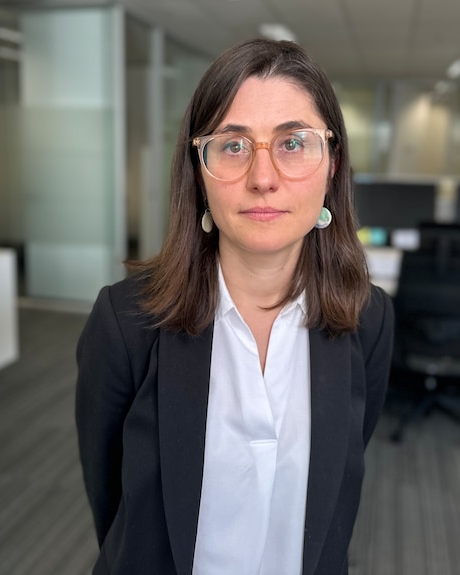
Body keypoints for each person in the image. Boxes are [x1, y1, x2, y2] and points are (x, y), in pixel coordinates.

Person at [75, 38, 394, 575]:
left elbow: (337, 491)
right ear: (199, 171)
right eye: (233, 145)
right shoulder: (127, 321)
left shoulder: (368, 319)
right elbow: (112, 500)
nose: (263, 178)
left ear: (332, 164)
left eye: (293, 143)